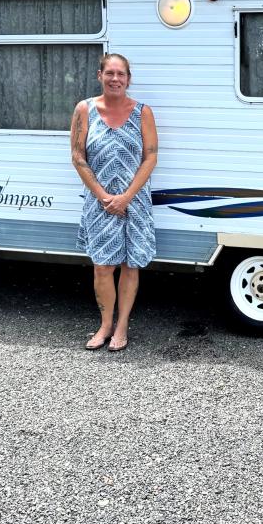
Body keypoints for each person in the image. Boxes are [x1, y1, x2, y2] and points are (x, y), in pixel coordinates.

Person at [71, 53, 158, 351]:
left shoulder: (142, 112)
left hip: (134, 202)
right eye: (110, 73)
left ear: (129, 79)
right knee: (102, 267)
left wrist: (126, 196)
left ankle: (122, 327)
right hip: (100, 204)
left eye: (121, 74)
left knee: (130, 266)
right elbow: (78, 157)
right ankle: (105, 325)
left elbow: (151, 157)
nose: (115, 79)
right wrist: (103, 195)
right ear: (100, 75)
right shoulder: (85, 110)